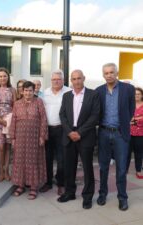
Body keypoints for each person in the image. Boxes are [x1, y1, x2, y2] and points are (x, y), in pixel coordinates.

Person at [58, 70, 100, 209]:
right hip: (69, 135)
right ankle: (70, 192)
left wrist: (79, 132)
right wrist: (70, 132)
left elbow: (95, 116)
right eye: (74, 79)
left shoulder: (93, 95)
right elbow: (62, 115)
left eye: (79, 78)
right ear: (71, 80)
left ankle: (87, 196)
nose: (76, 81)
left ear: (84, 78)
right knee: (68, 167)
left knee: (87, 168)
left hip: (85, 136)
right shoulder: (66, 96)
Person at [96, 63, 135, 211]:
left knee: (121, 168)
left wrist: (124, 124)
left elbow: (131, 109)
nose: (109, 75)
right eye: (106, 73)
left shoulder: (128, 89)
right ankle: (103, 194)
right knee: (103, 166)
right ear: (103, 75)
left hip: (120, 133)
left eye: (112, 72)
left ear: (117, 73)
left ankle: (122, 197)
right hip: (104, 133)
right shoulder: (99, 91)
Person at [10, 81, 48, 200]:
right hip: (20, 137)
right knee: (20, 160)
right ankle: (20, 186)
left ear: (33, 91)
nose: (28, 93)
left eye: (30, 90)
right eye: (26, 90)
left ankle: (33, 187)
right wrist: (13, 138)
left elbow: (43, 120)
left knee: (33, 161)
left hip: (34, 137)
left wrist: (42, 136)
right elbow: (13, 121)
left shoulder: (39, 102)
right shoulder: (17, 104)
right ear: (22, 91)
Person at [40, 69, 71, 195]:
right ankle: (48, 182)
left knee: (62, 158)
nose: (56, 81)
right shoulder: (45, 93)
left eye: (58, 79)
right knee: (47, 158)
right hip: (47, 129)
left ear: (63, 80)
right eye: (53, 79)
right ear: (51, 80)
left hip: (62, 129)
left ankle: (61, 183)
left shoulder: (69, 92)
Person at [0, 68, 16, 181]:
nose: (2, 78)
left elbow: (15, 106)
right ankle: (1, 170)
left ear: (8, 77)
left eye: (4, 76)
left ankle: (7, 171)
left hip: (9, 120)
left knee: (8, 146)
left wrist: (10, 120)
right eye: (0, 76)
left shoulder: (12, 90)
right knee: (0, 146)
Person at [127, 87, 143, 179]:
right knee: (126, 152)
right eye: (135, 94)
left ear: (142, 95)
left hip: (140, 134)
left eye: (138, 94)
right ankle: (124, 170)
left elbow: (132, 119)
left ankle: (138, 170)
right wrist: (139, 118)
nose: (136, 95)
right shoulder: (129, 105)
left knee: (139, 153)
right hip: (128, 133)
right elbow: (125, 118)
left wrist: (134, 119)